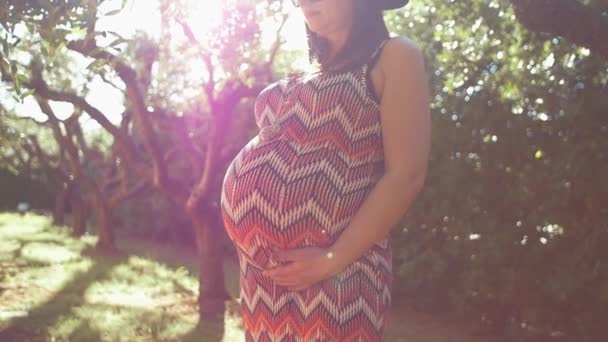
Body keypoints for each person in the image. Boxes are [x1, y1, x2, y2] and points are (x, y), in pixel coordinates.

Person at [220, 0, 430, 340]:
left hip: (338, 276)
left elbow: (406, 175)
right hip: (266, 282)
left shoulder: (393, 56)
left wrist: (331, 259)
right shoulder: (298, 78)